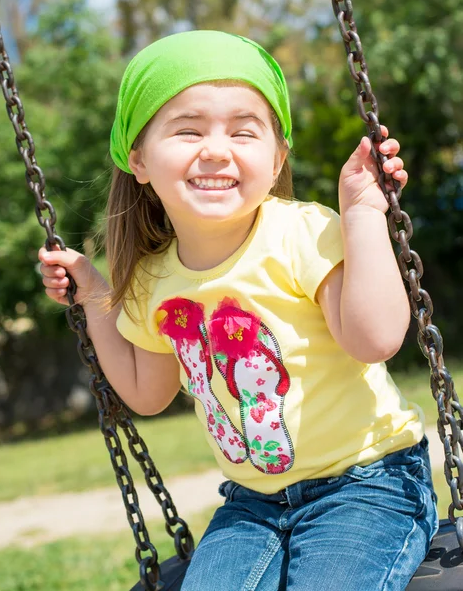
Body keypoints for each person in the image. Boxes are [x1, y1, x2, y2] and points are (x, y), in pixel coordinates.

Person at [38, 30, 438, 590]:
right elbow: (146, 394)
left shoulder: (302, 232)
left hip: (367, 486)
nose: (217, 149)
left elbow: (375, 340)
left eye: (243, 131)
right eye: (188, 129)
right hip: (251, 506)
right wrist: (94, 294)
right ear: (139, 160)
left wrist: (364, 212)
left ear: (276, 159)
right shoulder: (153, 277)